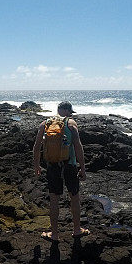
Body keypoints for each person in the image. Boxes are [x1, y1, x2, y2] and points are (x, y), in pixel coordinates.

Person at [33, 101, 88, 241]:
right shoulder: (71, 124)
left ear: (58, 110)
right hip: (70, 165)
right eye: (70, 112)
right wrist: (82, 167)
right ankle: (76, 230)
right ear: (68, 111)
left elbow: (37, 145)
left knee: (54, 199)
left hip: (52, 166)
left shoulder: (45, 123)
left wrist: (37, 165)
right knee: (74, 197)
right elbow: (78, 147)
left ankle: (55, 233)